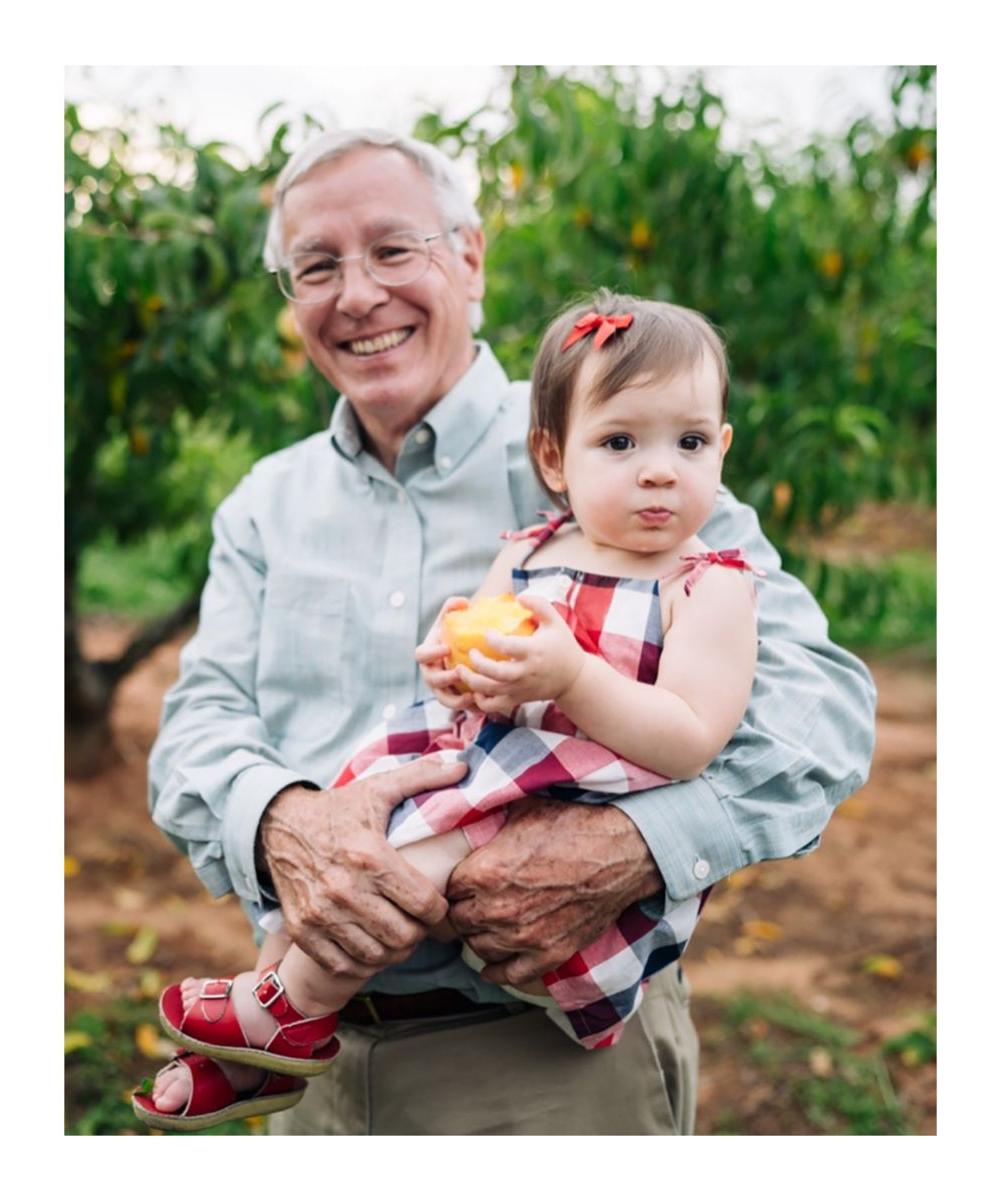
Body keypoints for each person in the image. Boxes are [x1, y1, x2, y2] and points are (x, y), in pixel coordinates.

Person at [142, 128, 876, 1136]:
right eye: (317, 266)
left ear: (470, 256)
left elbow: (821, 711)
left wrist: (633, 843)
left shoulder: (621, 447)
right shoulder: (267, 504)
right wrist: (284, 825)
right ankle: (268, 1021)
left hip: (549, 1074)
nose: (357, 294)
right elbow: (198, 729)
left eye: (394, 250)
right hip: (313, 1075)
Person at [133, 291, 766, 1130]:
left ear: (721, 448)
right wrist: (457, 664)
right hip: (493, 761)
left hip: (570, 793)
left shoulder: (708, 583)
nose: (659, 469)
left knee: (407, 863)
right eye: (619, 442)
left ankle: (280, 1009)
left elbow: (689, 738)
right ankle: (269, 1035)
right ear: (554, 457)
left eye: (688, 442)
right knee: (345, 840)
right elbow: (476, 654)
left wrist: (571, 677)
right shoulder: (533, 547)